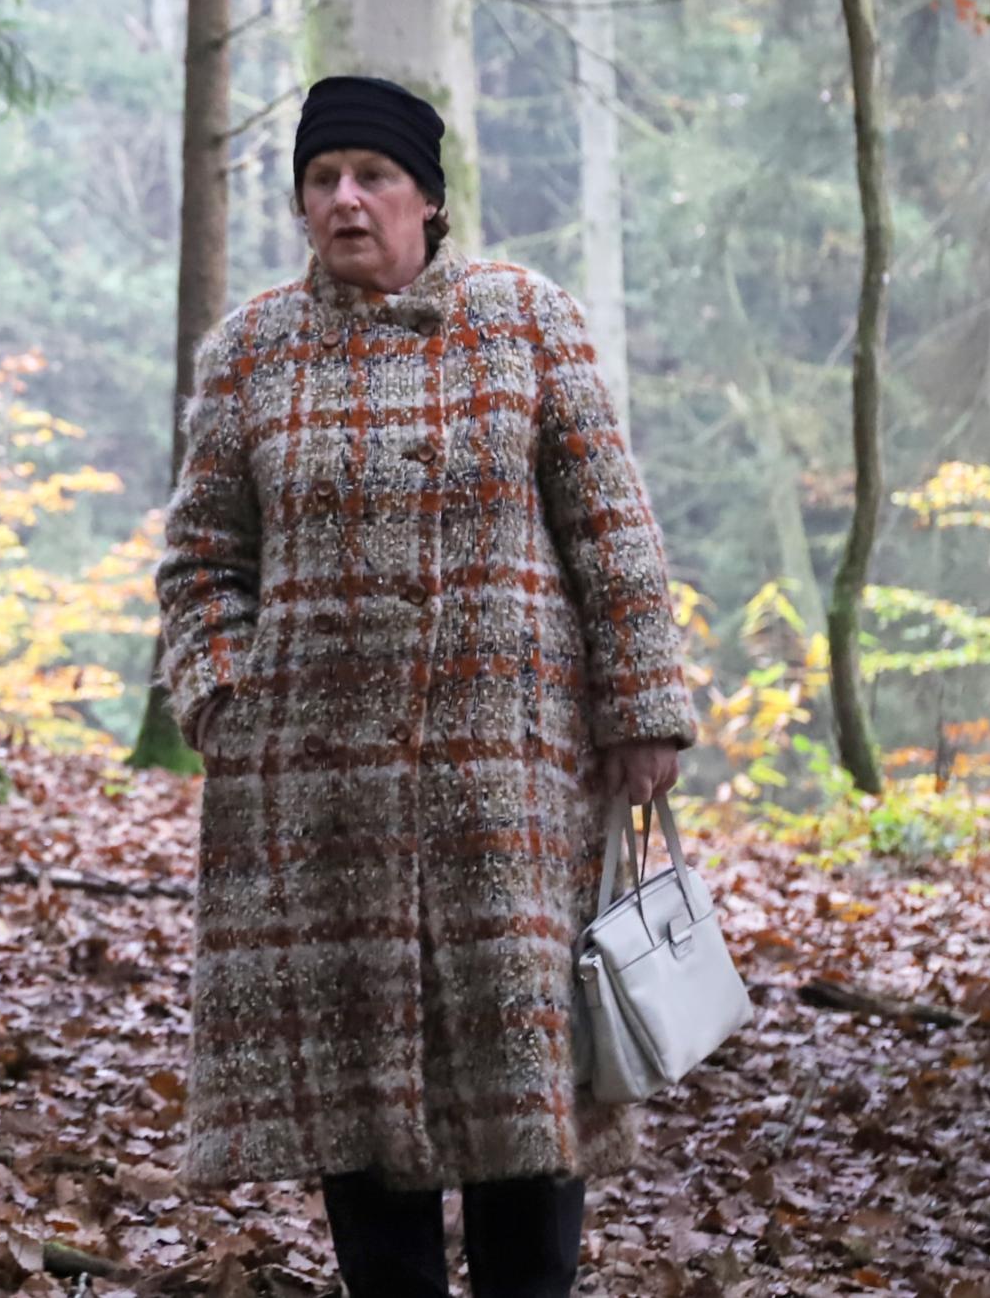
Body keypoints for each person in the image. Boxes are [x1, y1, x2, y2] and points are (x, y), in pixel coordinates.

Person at [154, 75, 695, 1298]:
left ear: (429, 200)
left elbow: (610, 528)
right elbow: (200, 561)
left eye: (373, 175)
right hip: (317, 796)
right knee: (363, 1114)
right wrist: (229, 702)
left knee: (524, 1091)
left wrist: (643, 709)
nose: (345, 200)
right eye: (321, 177)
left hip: (510, 780)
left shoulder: (523, 320)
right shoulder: (251, 351)